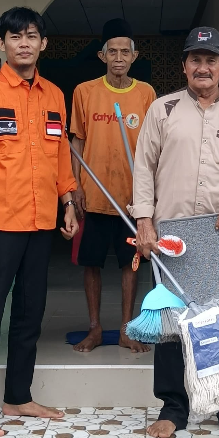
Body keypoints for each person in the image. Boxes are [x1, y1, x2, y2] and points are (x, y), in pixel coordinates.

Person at [131, 26, 219, 438]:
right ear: (185, 66)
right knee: (173, 325)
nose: (203, 67)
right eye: (196, 59)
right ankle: (173, 407)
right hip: (173, 235)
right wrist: (144, 220)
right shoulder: (163, 109)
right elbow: (144, 167)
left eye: (211, 60)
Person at [0, 7, 79, 438]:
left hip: (41, 221)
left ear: (43, 43)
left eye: (31, 36)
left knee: (31, 314)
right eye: (15, 37)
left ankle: (17, 396)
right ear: (3, 44)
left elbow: (60, 155)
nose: (23, 44)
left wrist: (68, 203)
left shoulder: (54, 95)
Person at [70, 19, 156, 353]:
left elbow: (153, 146)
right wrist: (75, 186)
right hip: (93, 195)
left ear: (134, 56)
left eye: (125, 52)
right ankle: (94, 329)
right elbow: (77, 141)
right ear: (102, 55)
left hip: (132, 199)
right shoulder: (85, 91)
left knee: (129, 264)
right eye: (112, 51)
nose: (118, 57)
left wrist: (150, 195)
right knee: (91, 263)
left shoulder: (146, 93)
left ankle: (125, 329)